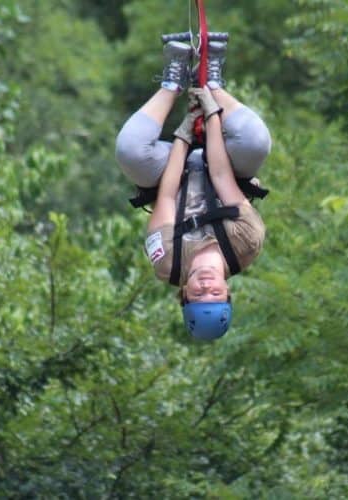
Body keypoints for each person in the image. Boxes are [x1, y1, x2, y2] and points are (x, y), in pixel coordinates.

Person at [115, 38, 272, 339]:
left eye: (199, 298)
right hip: (223, 164)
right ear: (227, 292)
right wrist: (211, 113)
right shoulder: (247, 243)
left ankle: (172, 81)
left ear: (185, 295)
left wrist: (185, 133)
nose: (206, 288)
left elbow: (166, 195)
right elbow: (223, 177)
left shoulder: (166, 261)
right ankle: (212, 82)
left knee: (129, 150)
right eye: (215, 295)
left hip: (172, 173)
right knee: (256, 141)